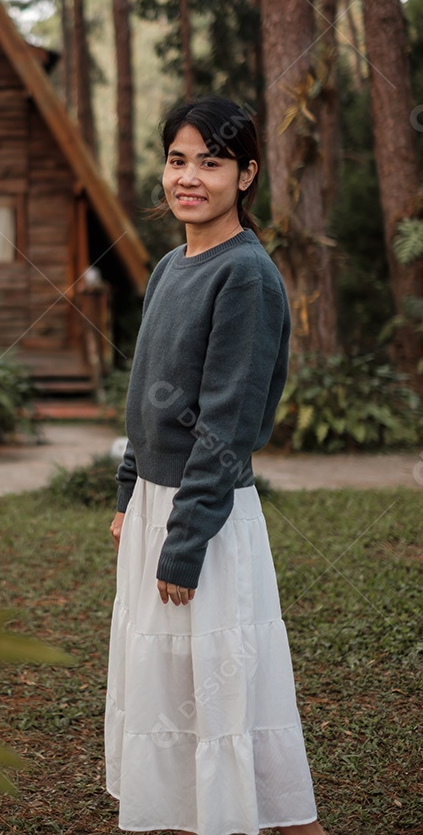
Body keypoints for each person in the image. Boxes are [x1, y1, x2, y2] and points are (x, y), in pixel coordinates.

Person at [105, 97, 328, 835]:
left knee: (228, 706)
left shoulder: (247, 277)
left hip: (206, 523)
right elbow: (149, 395)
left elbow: (225, 424)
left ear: (247, 174)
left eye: (211, 161)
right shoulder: (172, 265)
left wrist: (186, 537)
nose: (189, 177)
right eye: (177, 159)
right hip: (156, 513)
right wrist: (130, 491)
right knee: (170, 700)